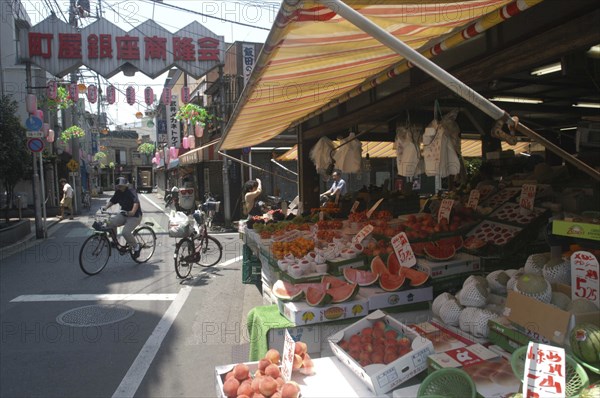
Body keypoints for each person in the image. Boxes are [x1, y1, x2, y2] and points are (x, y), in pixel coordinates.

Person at [102, 177, 143, 258]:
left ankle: (136, 247)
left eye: (121, 185)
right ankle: (115, 241)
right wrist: (105, 207)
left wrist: (132, 212)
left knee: (125, 232)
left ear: (125, 185)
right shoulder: (118, 192)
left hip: (134, 216)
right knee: (110, 223)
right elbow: (112, 200)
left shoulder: (131, 191)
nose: (119, 187)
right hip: (124, 214)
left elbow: (136, 203)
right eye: (118, 186)